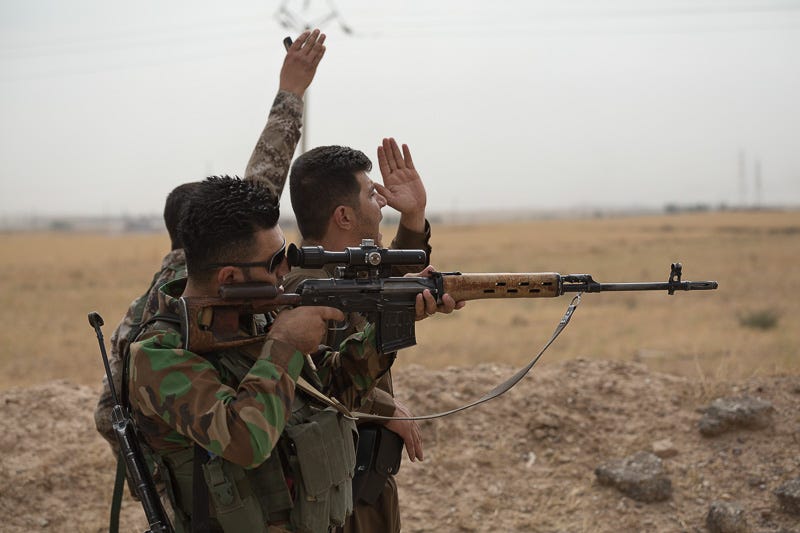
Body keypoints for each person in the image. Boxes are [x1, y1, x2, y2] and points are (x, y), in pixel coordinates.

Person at [126, 175, 451, 532]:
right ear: (230, 278)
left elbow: (332, 386)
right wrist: (285, 345)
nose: (286, 270)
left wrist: (396, 315)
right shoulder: (158, 356)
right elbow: (245, 440)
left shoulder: (255, 315)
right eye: (275, 262)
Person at [94, 27, 327, 453]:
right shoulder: (152, 327)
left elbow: (260, 189)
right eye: (274, 260)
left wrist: (291, 92)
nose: (283, 270)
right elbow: (112, 413)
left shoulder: (208, 279)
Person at [281, 138, 463, 533]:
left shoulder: (346, 274)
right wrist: (382, 407)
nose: (381, 204)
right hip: (329, 497)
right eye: (371, 194)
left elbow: (384, 290)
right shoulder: (305, 291)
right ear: (344, 216)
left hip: (364, 485)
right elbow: (313, 382)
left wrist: (413, 217)